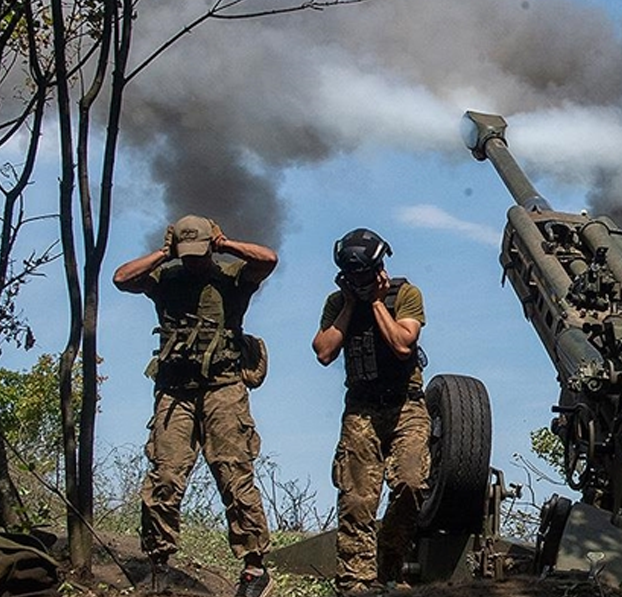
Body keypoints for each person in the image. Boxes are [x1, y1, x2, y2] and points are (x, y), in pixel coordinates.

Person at [113, 214, 277, 597]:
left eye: (198, 252)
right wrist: (163, 253)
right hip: (175, 392)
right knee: (165, 477)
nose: (192, 260)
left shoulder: (232, 276)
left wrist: (226, 244)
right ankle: (158, 566)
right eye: (185, 254)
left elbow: (268, 259)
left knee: (234, 477)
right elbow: (121, 279)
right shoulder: (165, 278)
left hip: (224, 389)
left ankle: (255, 569)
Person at [312, 228, 430, 596]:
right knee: (357, 498)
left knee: (411, 482)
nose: (360, 282)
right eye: (353, 277)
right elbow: (324, 351)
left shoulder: (405, 295)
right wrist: (350, 305)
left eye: (366, 274)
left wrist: (377, 303)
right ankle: (355, 582)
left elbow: (401, 344)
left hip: (406, 405)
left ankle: (388, 566)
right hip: (362, 408)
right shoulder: (337, 303)